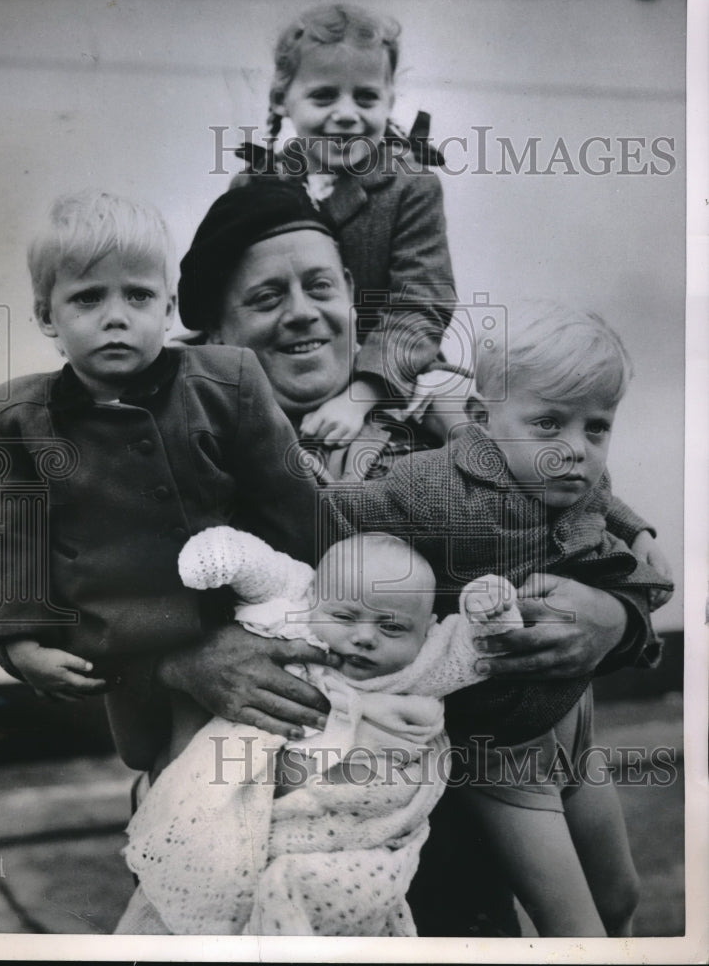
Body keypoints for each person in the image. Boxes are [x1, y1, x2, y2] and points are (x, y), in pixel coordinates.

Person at [167, 182, 672, 935]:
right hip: (309, 838)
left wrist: (612, 617)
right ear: (214, 332)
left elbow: (595, 524)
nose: (303, 311)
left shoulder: (444, 413)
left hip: (478, 813)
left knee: (599, 904)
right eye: (267, 296)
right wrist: (182, 658)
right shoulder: (196, 453)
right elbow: (106, 607)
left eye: (322, 286)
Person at [323, 298, 674, 936]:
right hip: (502, 752)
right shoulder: (435, 486)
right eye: (549, 424)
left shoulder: (569, 474)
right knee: (574, 928)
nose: (576, 449)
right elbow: (345, 513)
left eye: (597, 427)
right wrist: (340, 474)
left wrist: (639, 531)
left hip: (575, 724)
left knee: (621, 897)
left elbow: (604, 492)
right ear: (484, 420)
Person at [0, 188, 325, 773]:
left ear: (167, 307)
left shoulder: (227, 380)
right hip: (117, 644)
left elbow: (290, 502)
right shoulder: (14, 415)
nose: (116, 315)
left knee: (255, 764)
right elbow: (12, 540)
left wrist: (328, 592)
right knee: (153, 765)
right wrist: (20, 641)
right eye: (87, 298)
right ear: (45, 316)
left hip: (241, 622)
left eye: (138, 294)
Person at [116, 527, 520, 936]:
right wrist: (219, 555)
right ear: (312, 602)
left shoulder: (419, 665)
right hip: (260, 806)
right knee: (214, 860)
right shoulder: (293, 631)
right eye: (345, 618)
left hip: (353, 828)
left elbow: (478, 646)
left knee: (320, 887)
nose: (364, 638)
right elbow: (261, 570)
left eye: (392, 628)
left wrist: (489, 606)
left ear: (427, 630)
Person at [213, 2, 458, 448]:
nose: (346, 113)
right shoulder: (253, 183)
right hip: (289, 362)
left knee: (465, 427)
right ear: (281, 99)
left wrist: (359, 396)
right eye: (324, 95)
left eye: (365, 97)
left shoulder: (411, 184)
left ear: (389, 101)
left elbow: (422, 304)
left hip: (389, 371)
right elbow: (231, 298)